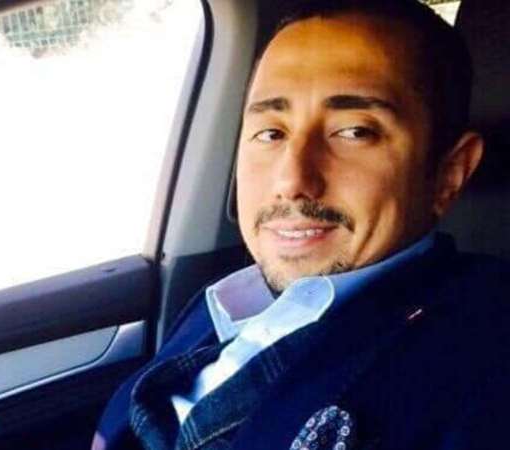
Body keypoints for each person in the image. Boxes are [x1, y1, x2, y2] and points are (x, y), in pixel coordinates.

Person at [94, 0, 510, 449]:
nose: (291, 182)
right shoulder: (220, 303)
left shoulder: (484, 360)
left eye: (354, 132)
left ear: (450, 173)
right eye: (271, 133)